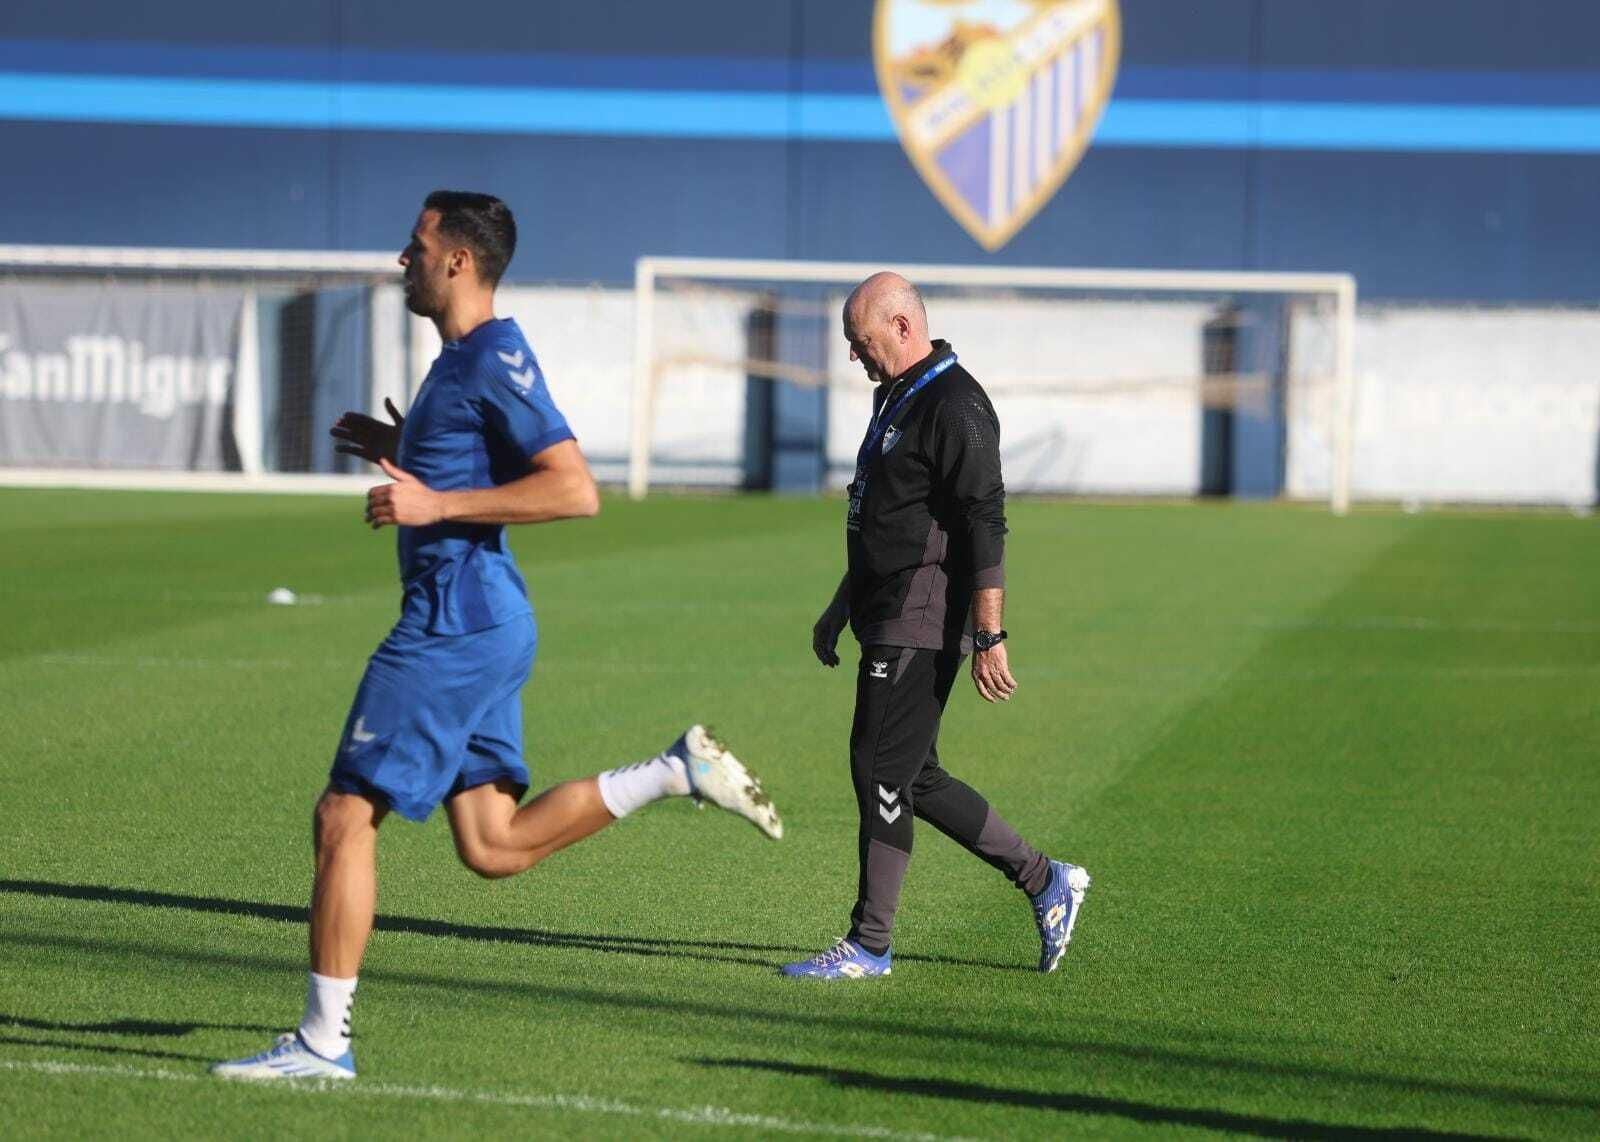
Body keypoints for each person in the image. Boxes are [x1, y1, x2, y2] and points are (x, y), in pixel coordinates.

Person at [213, 191, 781, 1081]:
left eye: (416, 245)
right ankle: (676, 770)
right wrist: (404, 445)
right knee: (491, 844)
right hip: (485, 620)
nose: (403, 258)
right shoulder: (456, 362)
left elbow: (574, 489)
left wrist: (433, 501)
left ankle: (323, 1043)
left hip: (453, 625)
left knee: (342, 815)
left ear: (458, 261)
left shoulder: (493, 355)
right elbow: (483, 458)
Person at [781, 272, 1087, 980]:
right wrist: (842, 603)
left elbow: (985, 519)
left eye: (861, 344)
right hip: (884, 607)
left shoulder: (956, 403)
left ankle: (870, 944)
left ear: (902, 327)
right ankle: (1046, 881)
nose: (855, 359)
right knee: (913, 774)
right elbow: (884, 517)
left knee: (879, 766)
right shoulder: (898, 395)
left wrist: (990, 633)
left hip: (922, 615)